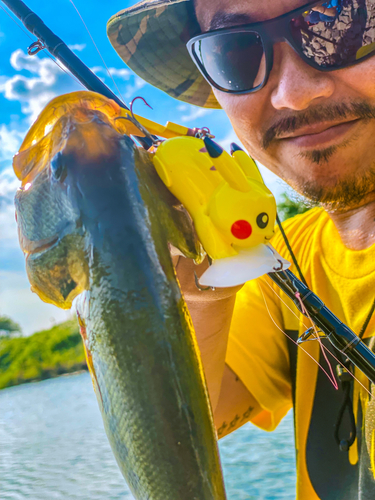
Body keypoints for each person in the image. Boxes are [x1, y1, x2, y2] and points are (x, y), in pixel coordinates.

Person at [106, 0, 375, 498]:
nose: (295, 94)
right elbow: (192, 420)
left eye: (343, 21)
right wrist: (203, 279)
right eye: (234, 51)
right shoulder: (289, 259)